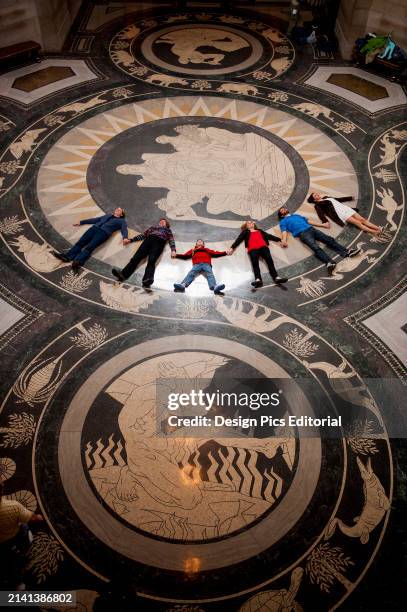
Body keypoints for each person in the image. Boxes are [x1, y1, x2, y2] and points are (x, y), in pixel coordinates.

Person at [278, 207, 361, 275]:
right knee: (315, 248)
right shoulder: (283, 221)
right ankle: (329, 262)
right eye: (281, 210)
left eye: (284, 208)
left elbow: (308, 221)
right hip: (302, 234)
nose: (283, 210)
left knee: (329, 240)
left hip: (311, 229)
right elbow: (284, 231)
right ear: (281, 215)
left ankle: (347, 252)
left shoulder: (296, 215)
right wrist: (284, 240)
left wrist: (322, 225)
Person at [53, 207, 130, 271]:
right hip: (94, 228)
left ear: (122, 214)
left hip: (103, 233)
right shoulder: (107, 215)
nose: (117, 209)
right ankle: (67, 257)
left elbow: (124, 229)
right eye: (117, 208)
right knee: (80, 242)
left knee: (90, 247)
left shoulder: (121, 221)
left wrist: (125, 238)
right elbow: (95, 220)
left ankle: (78, 262)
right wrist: (82, 222)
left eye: (120, 210)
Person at [0, 481, 43, 590]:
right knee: (24, 526)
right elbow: (33, 518)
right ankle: (18, 584)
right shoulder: (13, 507)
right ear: (1, 490)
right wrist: (39, 517)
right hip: (11, 540)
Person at [112, 218, 176, 287]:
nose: (161, 222)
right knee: (136, 258)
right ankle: (123, 274)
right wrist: (131, 240)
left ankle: (147, 279)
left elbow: (171, 240)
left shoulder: (168, 230)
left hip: (159, 242)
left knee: (152, 260)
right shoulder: (153, 228)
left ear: (167, 225)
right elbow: (143, 235)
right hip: (148, 241)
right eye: (160, 221)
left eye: (163, 222)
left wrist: (173, 250)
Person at [227, 220, 288, 288]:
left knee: (270, 261)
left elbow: (269, 236)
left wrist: (280, 240)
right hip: (252, 249)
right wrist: (232, 248)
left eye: (252, 222)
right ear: (246, 226)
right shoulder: (245, 232)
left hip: (263, 247)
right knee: (255, 263)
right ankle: (258, 280)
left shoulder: (259, 230)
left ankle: (276, 278)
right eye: (249, 223)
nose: (251, 223)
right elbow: (238, 240)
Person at [308, 192, 381, 234]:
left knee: (362, 219)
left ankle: (378, 228)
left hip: (346, 209)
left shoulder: (326, 197)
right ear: (314, 199)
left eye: (317, 193)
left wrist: (350, 198)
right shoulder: (317, 205)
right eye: (315, 195)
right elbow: (320, 214)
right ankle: (374, 231)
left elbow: (338, 199)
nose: (317, 194)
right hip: (341, 214)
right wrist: (325, 221)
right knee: (357, 223)